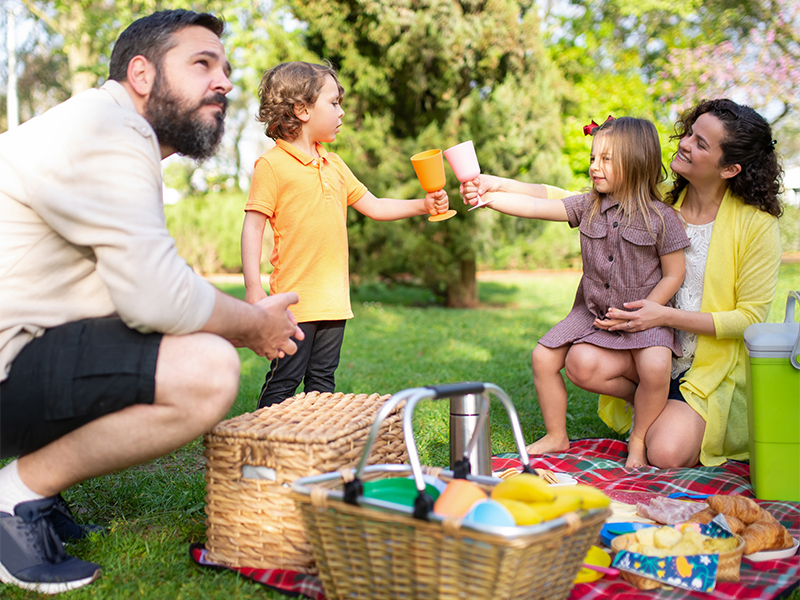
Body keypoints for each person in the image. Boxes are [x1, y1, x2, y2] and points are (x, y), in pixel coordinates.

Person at [0, 10, 303, 594]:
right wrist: (252, 325)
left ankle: (39, 487)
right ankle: (14, 501)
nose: (224, 82)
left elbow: (132, 286)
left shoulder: (102, 128)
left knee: (159, 335)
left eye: (227, 69)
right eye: (201, 63)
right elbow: (157, 295)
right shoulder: (109, 132)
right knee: (207, 368)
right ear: (141, 74)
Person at [463, 100, 784, 470]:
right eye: (691, 133)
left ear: (729, 168)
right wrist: (498, 186)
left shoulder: (756, 225)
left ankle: (670, 419)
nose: (684, 143)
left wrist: (661, 315)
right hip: (643, 345)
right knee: (580, 363)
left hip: (705, 367)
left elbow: (749, 319)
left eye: (701, 143)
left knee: (664, 453)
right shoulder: (658, 201)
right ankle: (655, 404)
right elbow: (570, 200)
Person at [461, 117, 690, 468]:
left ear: (638, 162)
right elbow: (537, 207)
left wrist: (648, 311)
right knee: (543, 357)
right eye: (593, 157)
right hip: (593, 310)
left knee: (656, 367)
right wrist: (489, 198)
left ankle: (640, 441)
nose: (593, 167)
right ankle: (557, 435)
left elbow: (674, 274)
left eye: (606, 159)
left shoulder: (662, 218)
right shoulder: (589, 206)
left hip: (644, 314)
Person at [241, 61, 449, 408]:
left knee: (323, 381)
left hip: (334, 299)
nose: (341, 112)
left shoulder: (334, 164)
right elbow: (253, 224)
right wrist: (253, 287)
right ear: (302, 109)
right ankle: (261, 448)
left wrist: (423, 205)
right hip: (295, 302)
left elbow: (376, 206)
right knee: (286, 379)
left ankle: (318, 450)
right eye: (334, 103)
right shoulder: (273, 165)